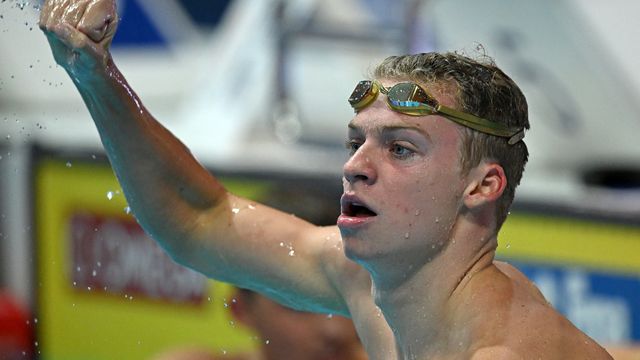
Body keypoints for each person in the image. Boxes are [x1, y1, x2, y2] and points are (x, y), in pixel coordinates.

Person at [39, 1, 613, 359]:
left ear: (481, 186)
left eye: (401, 149)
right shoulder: (368, 282)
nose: (356, 165)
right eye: (356, 141)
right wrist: (93, 73)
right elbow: (199, 220)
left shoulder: (499, 351)